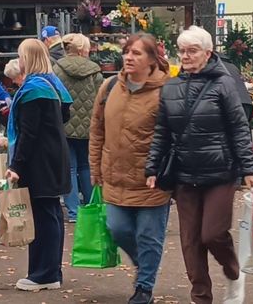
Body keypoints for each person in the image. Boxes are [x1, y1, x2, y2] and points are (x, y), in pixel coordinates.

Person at [145, 26, 253, 304]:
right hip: (184, 175)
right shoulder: (171, 87)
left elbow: (239, 128)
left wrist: (249, 170)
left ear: (207, 53)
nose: (185, 56)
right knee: (190, 242)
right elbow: (162, 131)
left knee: (213, 234)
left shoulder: (224, 84)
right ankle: (201, 297)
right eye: (182, 50)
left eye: (192, 50)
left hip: (220, 172)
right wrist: (151, 167)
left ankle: (233, 270)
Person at [90, 33, 170, 304]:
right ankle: (145, 264)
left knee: (149, 236)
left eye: (136, 53)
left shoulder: (166, 91)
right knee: (118, 228)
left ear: (152, 60)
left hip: (151, 179)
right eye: (127, 52)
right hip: (115, 176)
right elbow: (97, 129)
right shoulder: (110, 86)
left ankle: (144, 287)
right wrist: (95, 168)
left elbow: (174, 137)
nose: (129, 57)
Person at [5, 39, 72, 292]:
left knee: (44, 216)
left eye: (21, 56)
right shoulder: (52, 85)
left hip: (39, 161)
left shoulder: (33, 90)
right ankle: (51, 270)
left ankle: (43, 274)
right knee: (51, 213)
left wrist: (16, 164)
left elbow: (28, 133)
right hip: (55, 156)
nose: (19, 61)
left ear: (29, 59)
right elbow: (66, 114)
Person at [53, 33, 103, 222]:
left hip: (65, 125)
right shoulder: (94, 70)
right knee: (87, 166)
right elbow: (101, 97)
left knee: (70, 168)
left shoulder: (57, 69)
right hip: (89, 126)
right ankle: (92, 208)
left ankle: (73, 212)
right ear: (84, 48)